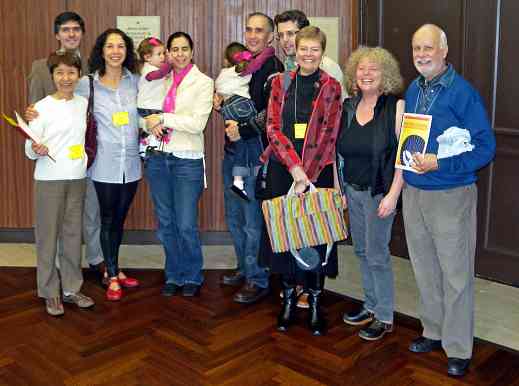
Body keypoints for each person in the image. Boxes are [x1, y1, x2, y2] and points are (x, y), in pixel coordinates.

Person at [403, 24, 496, 377]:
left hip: (450, 195)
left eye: (428, 48)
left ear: (444, 51)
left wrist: (441, 163)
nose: (422, 55)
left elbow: (485, 148)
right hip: (415, 192)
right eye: (416, 49)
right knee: (424, 269)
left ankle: (457, 347)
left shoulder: (463, 93)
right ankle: (434, 330)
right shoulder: (414, 88)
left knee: (455, 275)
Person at [260, 26, 342, 335]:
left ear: (322, 52)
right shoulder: (281, 82)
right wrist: (295, 170)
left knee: (316, 238)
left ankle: (317, 302)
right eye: (303, 48)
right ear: (294, 49)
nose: (308, 54)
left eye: (314, 49)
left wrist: (306, 175)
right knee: (286, 237)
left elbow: (329, 135)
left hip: (316, 172)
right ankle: (289, 301)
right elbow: (272, 127)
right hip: (285, 171)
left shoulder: (331, 86)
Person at [27, 11, 106, 283]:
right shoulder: (41, 66)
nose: (71, 34)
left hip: (83, 156)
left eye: (76, 29)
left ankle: (90, 263)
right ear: (57, 34)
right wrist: (33, 122)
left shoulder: (95, 65)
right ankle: (52, 280)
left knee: (88, 214)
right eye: (65, 29)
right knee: (53, 226)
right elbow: (33, 113)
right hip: (52, 160)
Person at [337, 47, 405, 341]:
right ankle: (370, 305)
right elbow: (338, 152)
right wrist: (340, 189)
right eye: (361, 69)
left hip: (380, 193)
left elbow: (405, 154)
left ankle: (385, 315)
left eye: (373, 69)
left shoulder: (396, 107)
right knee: (362, 251)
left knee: (377, 254)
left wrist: (393, 195)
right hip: (352, 190)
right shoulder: (348, 107)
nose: (366, 74)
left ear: (385, 74)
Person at [217, 12, 284, 304]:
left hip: (251, 152)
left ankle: (257, 277)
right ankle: (244, 266)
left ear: (271, 36)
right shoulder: (242, 65)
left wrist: (240, 127)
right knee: (234, 212)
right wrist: (223, 106)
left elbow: (270, 113)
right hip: (234, 150)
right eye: (249, 30)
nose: (253, 35)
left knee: (250, 217)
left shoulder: (272, 67)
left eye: (260, 31)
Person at [143, 32, 214, 297]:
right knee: (166, 223)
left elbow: (197, 124)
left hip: (187, 161)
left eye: (185, 49)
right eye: (174, 49)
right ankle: (173, 274)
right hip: (158, 158)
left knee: (185, 224)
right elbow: (144, 115)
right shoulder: (158, 80)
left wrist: (163, 117)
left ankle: (193, 275)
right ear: (168, 53)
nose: (180, 54)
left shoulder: (204, 82)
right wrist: (150, 121)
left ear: (192, 52)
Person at [25, 52, 95, 316]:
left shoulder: (82, 103)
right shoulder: (41, 107)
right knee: (47, 238)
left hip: (76, 177)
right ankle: (49, 291)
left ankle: (71, 288)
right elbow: (28, 149)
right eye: (60, 73)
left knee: (72, 236)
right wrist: (36, 148)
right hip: (48, 180)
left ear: (79, 75)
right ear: (52, 76)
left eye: (71, 73)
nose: (66, 78)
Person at [75, 28, 142, 301]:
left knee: (120, 219)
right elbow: (68, 108)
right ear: (101, 51)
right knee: (106, 218)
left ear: (127, 52)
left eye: (121, 46)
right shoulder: (86, 83)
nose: (115, 51)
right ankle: (111, 274)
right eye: (110, 46)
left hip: (132, 163)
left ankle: (114, 266)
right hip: (103, 164)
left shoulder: (136, 82)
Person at [215, 41, 275, 200]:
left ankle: (238, 181)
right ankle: (258, 175)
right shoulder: (245, 71)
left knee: (239, 143)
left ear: (226, 61)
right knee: (254, 141)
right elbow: (259, 62)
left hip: (227, 107)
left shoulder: (223, 73)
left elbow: (220, 90)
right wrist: (269, 50)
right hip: (242, 105)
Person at [274, 9, 346, 100]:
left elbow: (339, 105)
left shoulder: (328, 66)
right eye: (280, 35)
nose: (284, 39)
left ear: (304, 33)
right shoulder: (287, 65)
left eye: (290, 34)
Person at [135, 37, 167, 156]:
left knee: (154, 132)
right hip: (149, 109)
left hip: (151, 108)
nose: (163, 57)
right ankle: (148, 151)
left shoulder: (153, 68)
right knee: (156, 132)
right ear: (147, 57)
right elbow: (160, 74)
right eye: (159, 54)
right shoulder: (149, 70)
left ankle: (147, 149)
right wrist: (171, 64)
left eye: (164, 53)